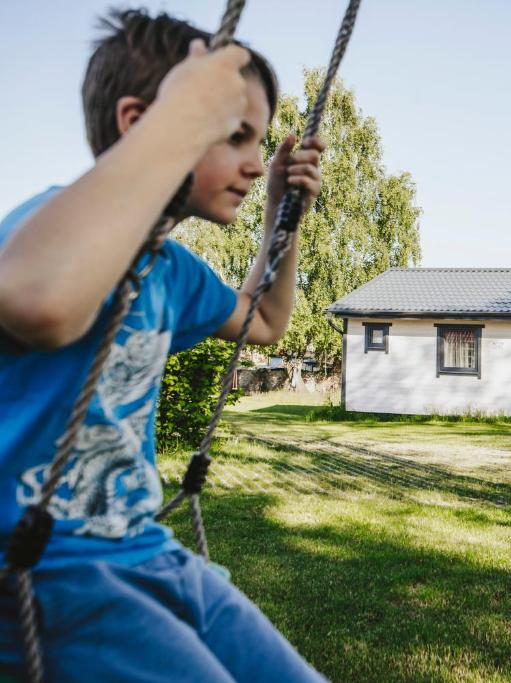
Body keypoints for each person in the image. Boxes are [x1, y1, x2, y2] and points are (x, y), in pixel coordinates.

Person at [0, 9, 329, 682]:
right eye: (232, 134)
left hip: (146, 548)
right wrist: (176, 125)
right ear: (140, 123)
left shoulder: (171, 271)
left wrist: (278, 213)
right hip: (48, 569)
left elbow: (264, 319)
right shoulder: (50, 228)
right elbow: (40, 303)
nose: (251, 160)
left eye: (258, 141)